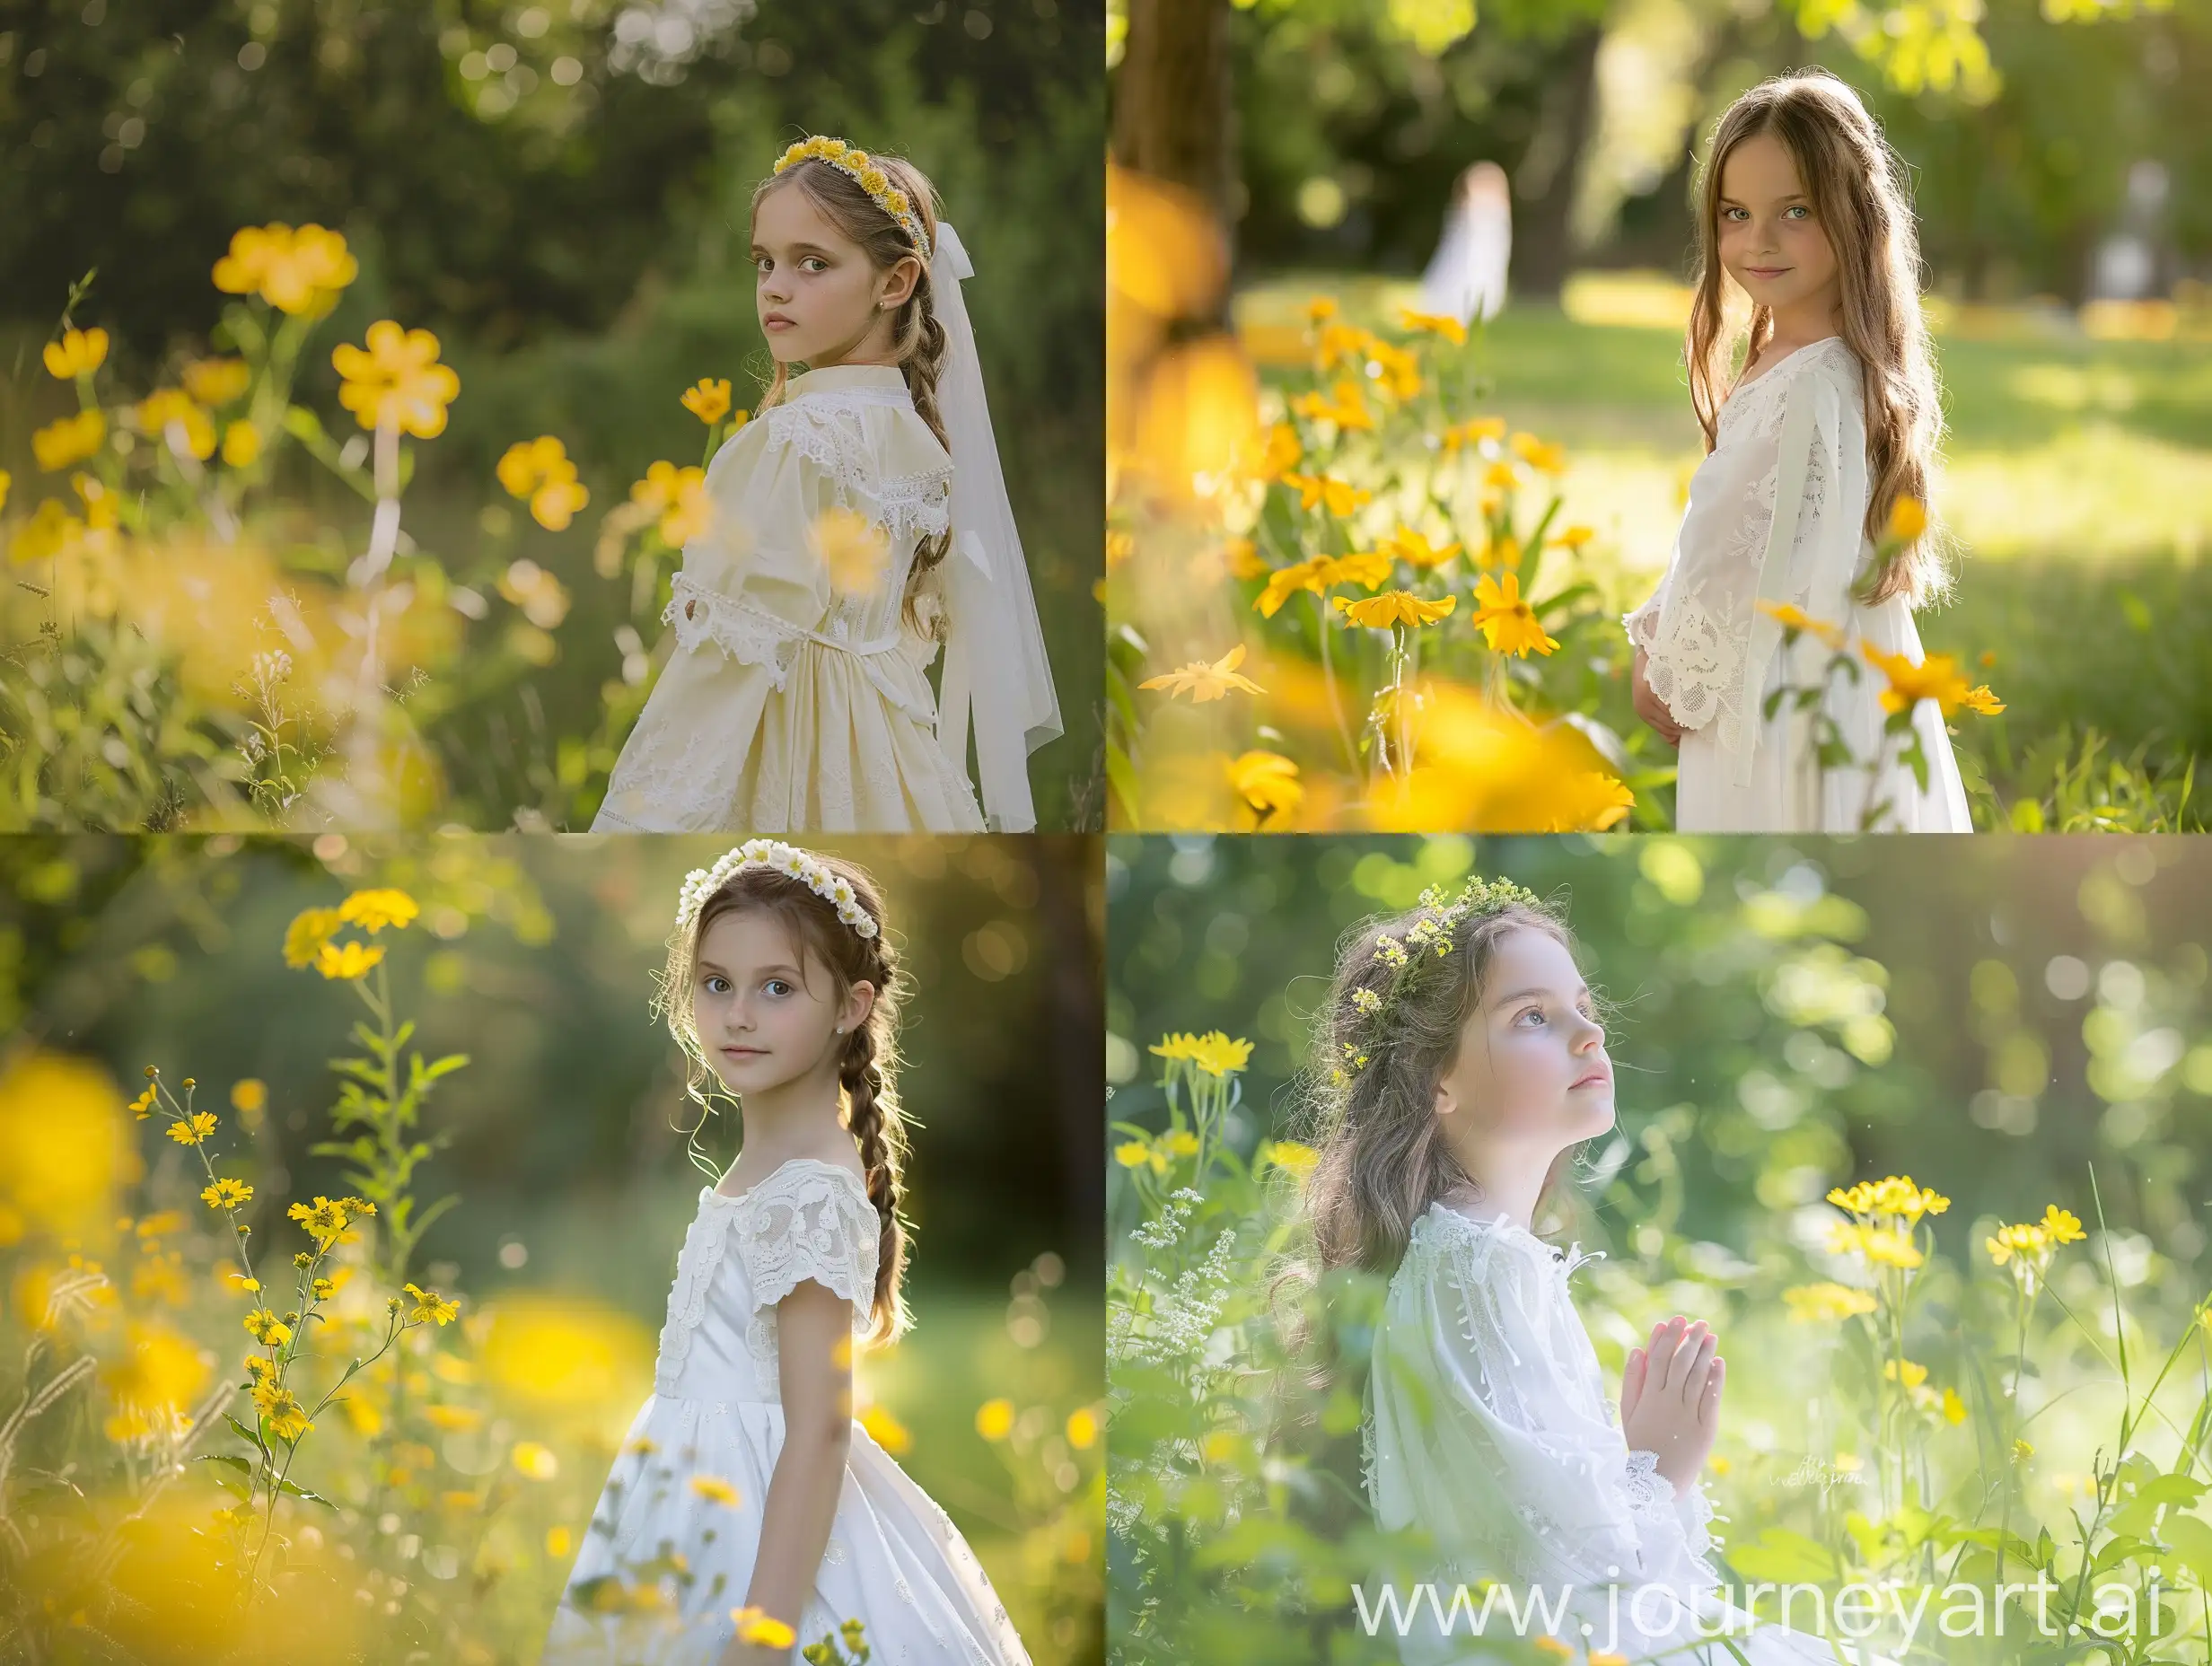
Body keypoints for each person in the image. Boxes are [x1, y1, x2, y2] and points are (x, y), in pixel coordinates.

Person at [1295, 877, 1866, 1662]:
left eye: (1584, 1010)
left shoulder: (1461, 1257)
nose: (1588, 1035)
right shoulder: (1476, 1267)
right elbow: (1581, 1591)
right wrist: (1658, 1469)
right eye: (1533, 1016)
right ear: (1439, 1078)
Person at [543, 841, 1031, 1665]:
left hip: (762, 1531)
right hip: (692, 1503)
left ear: (850, 1006)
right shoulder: (768, 1170)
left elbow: (820, 1431)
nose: (738, 1014)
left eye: (777, 988)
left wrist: (762, 1637)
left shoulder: (807, 1191)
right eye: (716, 983)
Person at [592, 136, 1059, 834]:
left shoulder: (791, 441)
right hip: (889, 758)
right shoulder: (912, 431)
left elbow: (727, 663)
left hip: (790, 744)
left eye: (814, 263)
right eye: (765, 262)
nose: (776, 285)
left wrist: (641, 816)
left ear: (895, 282)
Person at [1623, 71, 1971, 832]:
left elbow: (1729, 548)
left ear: (1853, 215)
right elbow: (1742, 530)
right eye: (1736, 214)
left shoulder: (1811, 382)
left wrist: (1663, 658)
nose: (1759, 242)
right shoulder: (1808, 356)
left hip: (1776, 705)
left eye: (1796, 211)